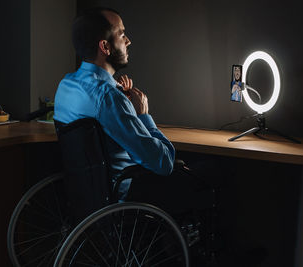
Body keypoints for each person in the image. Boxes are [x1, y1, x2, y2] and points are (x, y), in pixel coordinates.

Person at [54, 7, 211, 214]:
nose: (128, 41)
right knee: (214, 171)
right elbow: (163, 163)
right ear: (105, 47)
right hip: (123, 198)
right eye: (121, 34)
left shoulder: (66, 86)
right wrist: (143, 115)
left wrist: (121, 100)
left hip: (87, 198)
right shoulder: (108, 97)